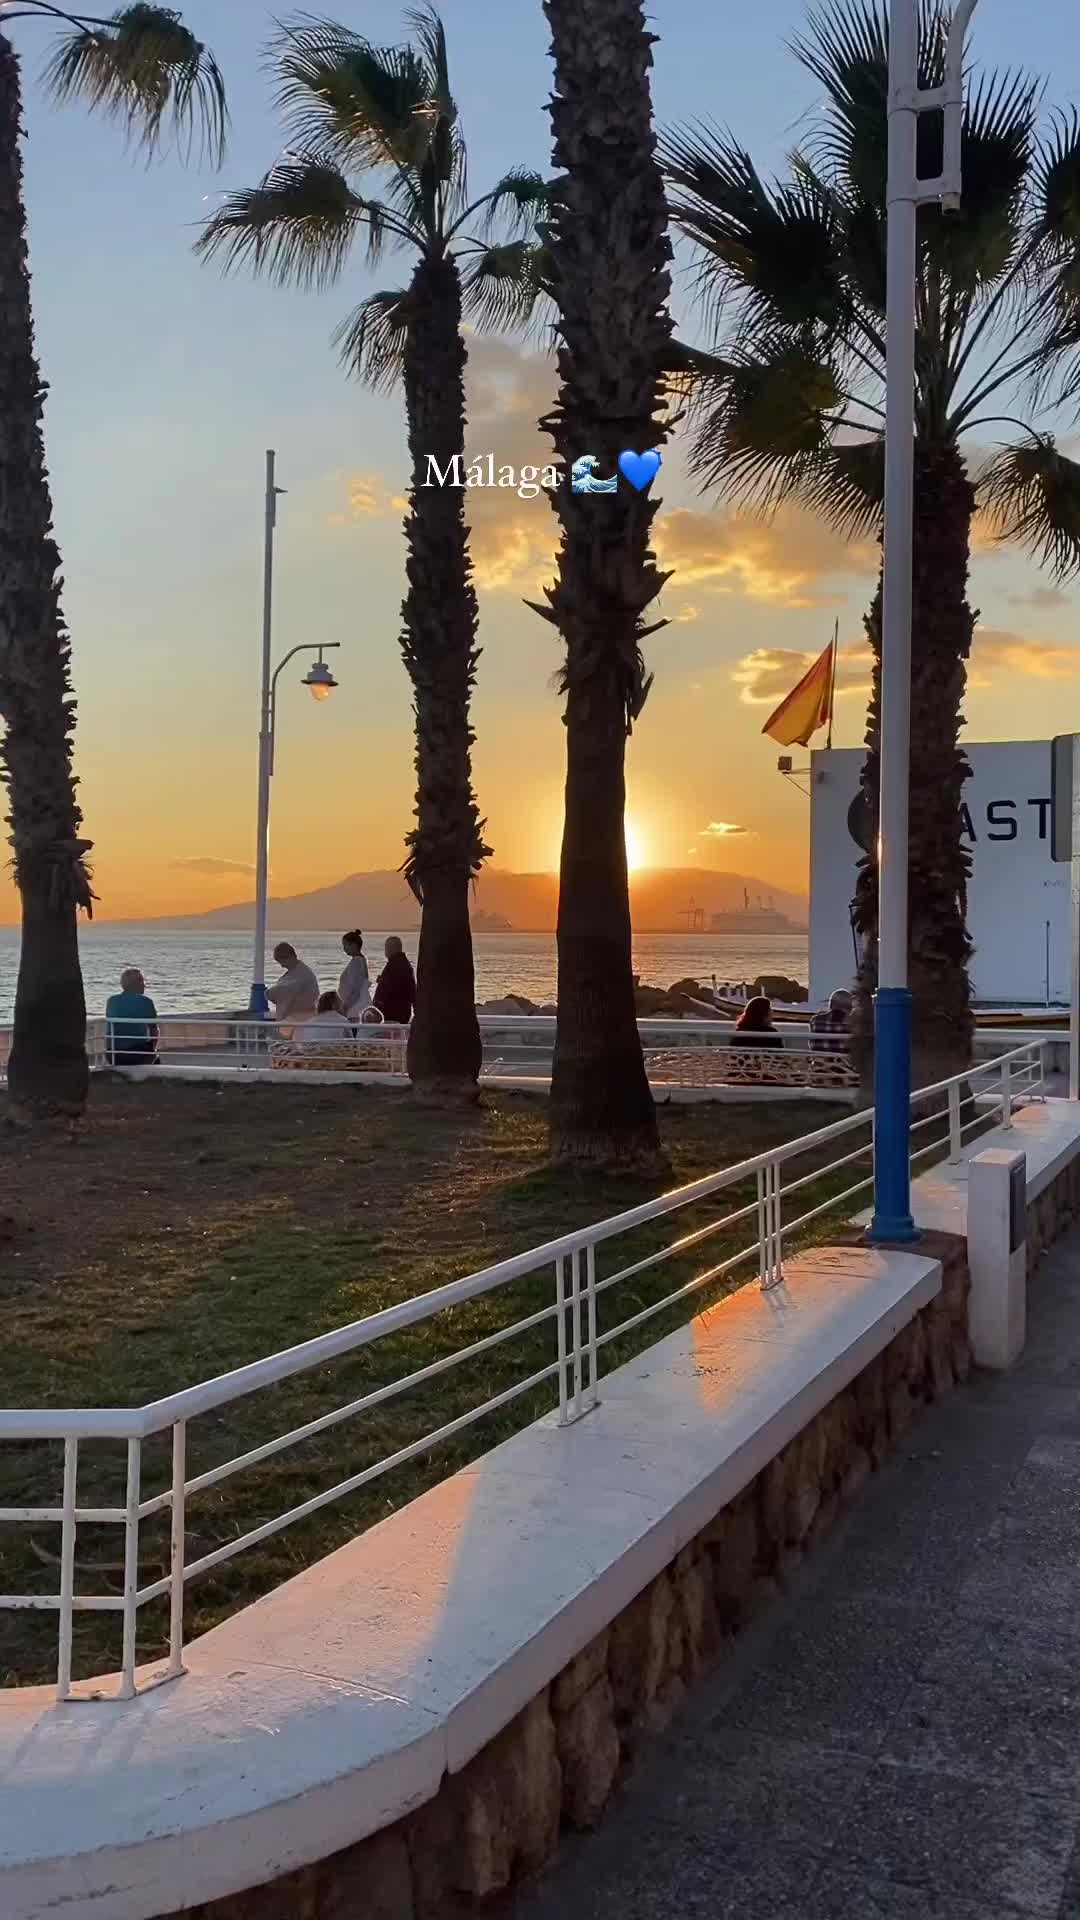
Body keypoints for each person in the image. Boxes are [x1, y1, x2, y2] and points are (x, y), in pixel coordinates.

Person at [105, 968, 159, 1066]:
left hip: (114, 1053)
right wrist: (153, 1050)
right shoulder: (146, 1002)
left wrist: (109, 1051)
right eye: (142, 981)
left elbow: (109, 1029)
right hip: (137, 1053)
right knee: (156, 1058)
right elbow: (154, 1030)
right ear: (136, 983)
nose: (144, 985)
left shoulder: (112, 1001)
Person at [267, 943, 319, 1033]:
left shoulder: (302, 973)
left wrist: (268, 993)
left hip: (299, 1020)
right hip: (297, 1019)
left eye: (281, 962)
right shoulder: (296, 971)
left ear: (289, 957)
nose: (282, 966)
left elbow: (283, 990)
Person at [373, 936, 417, 1025]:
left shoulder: (394, 964)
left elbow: (386, 988)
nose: (385, 951)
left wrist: (376, 1007)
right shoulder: (404, 964)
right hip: (402, 1012)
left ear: (391, 948)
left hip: (392, 1014)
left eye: (386, 947)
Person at [338, 930, 371, 1021]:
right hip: (357, 1006)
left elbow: (356, 988)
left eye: (345, 945)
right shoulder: (361, 960)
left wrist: (346, 1006)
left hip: (355, 1008)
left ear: (353, 945)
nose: (344, 948)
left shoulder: (357, 962)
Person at [811, 988, 853, 1054]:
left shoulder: (816, 1020)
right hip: (844, 1063)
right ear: (849, 1006)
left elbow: (812, 1045)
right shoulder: (854, 1023)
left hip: (820, 1062)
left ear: (831, 1004)